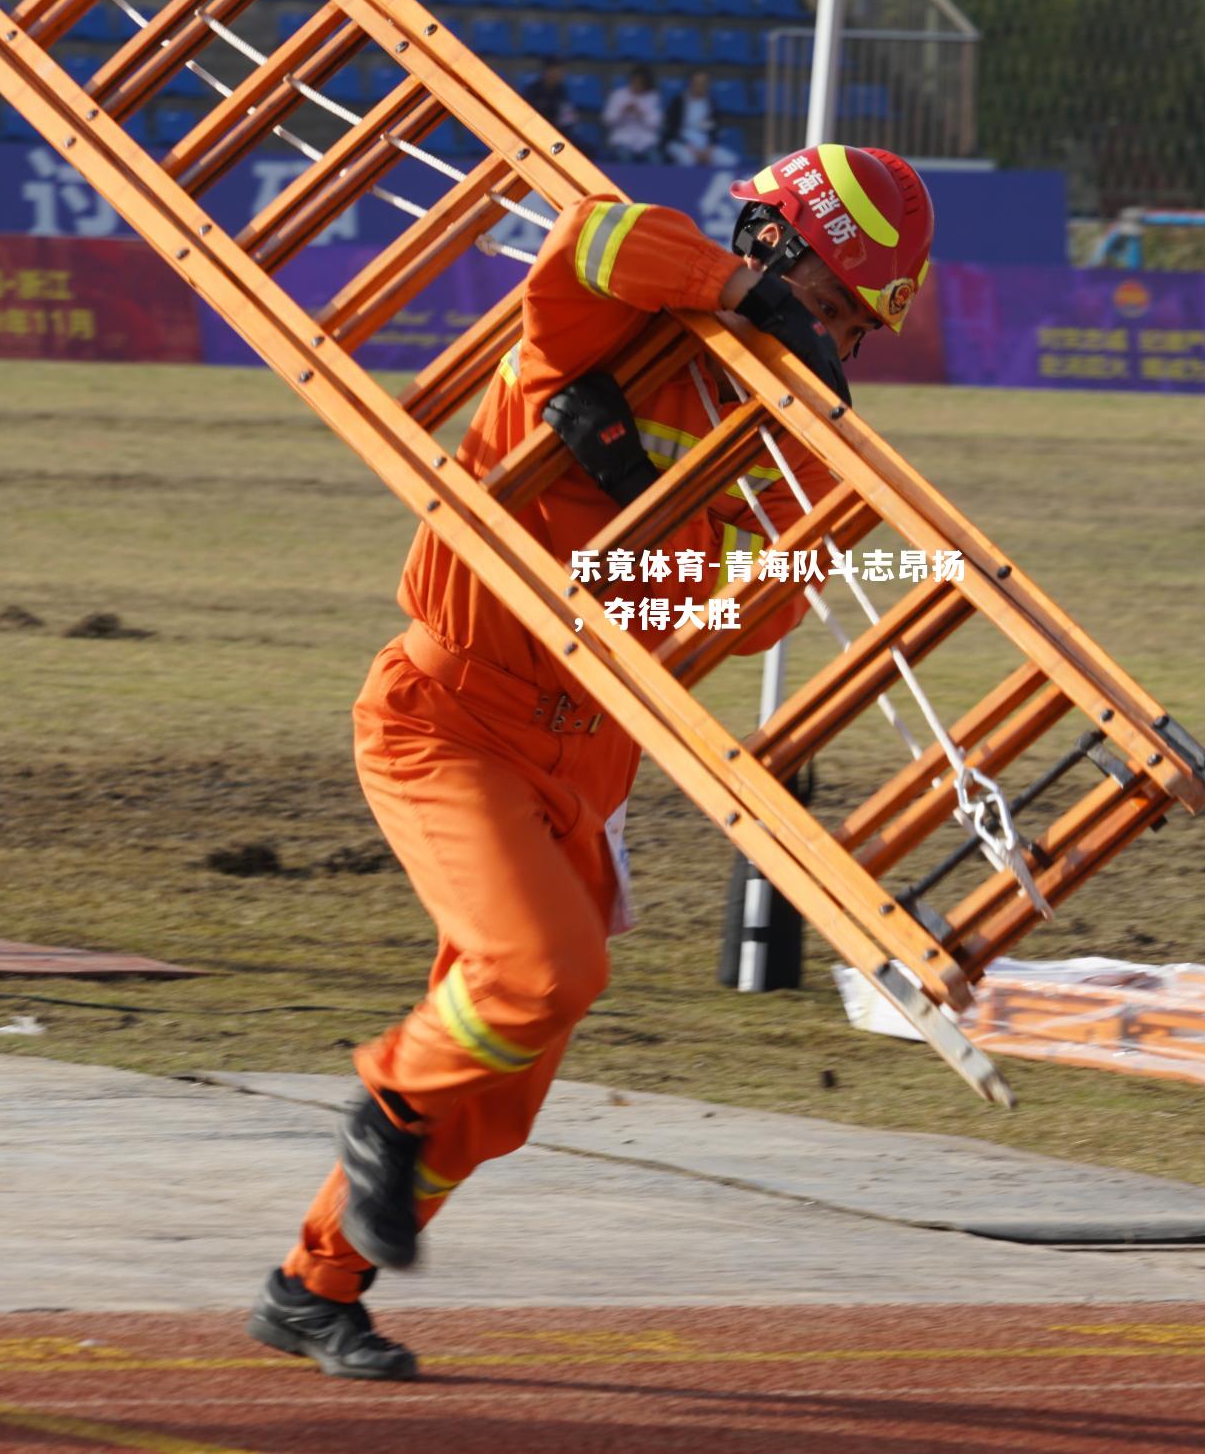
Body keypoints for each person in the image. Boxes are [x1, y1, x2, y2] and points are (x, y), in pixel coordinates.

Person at [247, 146, 938, 1382]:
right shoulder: (617, 310)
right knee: (535, 970)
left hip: (592, 756)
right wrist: (740, 299)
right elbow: (591, 233)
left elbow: (757, 607)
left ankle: (314, 1283)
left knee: (507, 1078)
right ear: (769, 244)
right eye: (821, 300)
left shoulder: (800, 443)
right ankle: (387, 1101)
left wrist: (645, 495)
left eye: (844, 323)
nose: (825, 338)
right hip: (450, 710)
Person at [661, 70, 733, 166]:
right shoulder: (678, 102)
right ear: (690, 83)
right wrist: (690, 148)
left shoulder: (711, 103)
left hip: (705, 145)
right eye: (697, 83)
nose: (700, 86)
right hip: (680, 143)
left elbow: (714, 128)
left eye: (703, 83)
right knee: (688, 160)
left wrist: (709, 148)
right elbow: (671, 129)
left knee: (729, 161)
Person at [600, 65, 663, 162]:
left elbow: (656, 124)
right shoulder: (618, 95)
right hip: (623, 139)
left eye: (640, 83)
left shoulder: (653, 97)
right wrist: (622, 112)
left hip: (646, 140)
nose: (637, 85)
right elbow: (607, 121)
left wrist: (641, 114)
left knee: (656, 159)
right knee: (624, 157)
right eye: (635, 81)